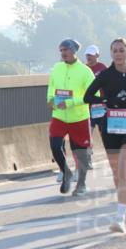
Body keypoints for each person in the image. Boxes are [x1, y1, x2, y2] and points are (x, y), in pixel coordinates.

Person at [83, 38, 126, 233]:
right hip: (111, 125)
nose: (118, 54)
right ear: (111, 53)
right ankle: (125, 200)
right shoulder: (105, 75)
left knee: (123, 169)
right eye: (115, 51)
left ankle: (119, 219)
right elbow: (87, 97)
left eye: (122, 50)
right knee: (116, 173)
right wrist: (106, 99)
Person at [46, 39, 96, 196]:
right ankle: (66, 172)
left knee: (81, 154)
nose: (63, 53)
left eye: (66, 50)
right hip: (59, 116)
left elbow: (94, 95)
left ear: (74, 51)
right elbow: (51, 87)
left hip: (79, 118)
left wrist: (71, 102)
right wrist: (50, 99)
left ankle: (81, 184)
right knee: (55, 145)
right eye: (61, 50)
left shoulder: (85, 71)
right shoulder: (57, 68)